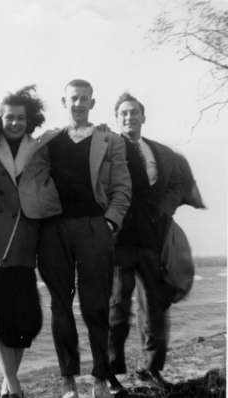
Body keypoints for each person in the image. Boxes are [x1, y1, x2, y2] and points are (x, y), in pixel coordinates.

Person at [36, 80, 131, 398]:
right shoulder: (47, 140)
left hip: (94, 229)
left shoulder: (111, 140)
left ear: (93, 102)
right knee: (59, 306)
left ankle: (100, 378)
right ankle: (68, 381)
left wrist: (109, 224)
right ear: (64, 101)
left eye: (84, 99)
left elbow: (122, 188)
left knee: (95, 307)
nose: (78, 103)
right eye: (73, 98)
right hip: (53, 231)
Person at [0, 86, 54, 398]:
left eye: (20, 118)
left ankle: (8, 384)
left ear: (28, 119)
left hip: (22, 241)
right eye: (8, 117)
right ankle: (14, 388)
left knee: (27, 321)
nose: (15, 123)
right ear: (0, 118)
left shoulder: (39, 148)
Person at [108, 92, 185, 394]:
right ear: (117, 118)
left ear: (143, 116)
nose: (129, 117)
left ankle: (149, 369)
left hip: (152, 240)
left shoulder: (160, 153)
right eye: (124, 113)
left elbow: (179, 183)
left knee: (154, 306)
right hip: (119, 239)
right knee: (117, 307)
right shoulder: (109, 148)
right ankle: (111, 374)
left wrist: (165, 208)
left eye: (134, 112)